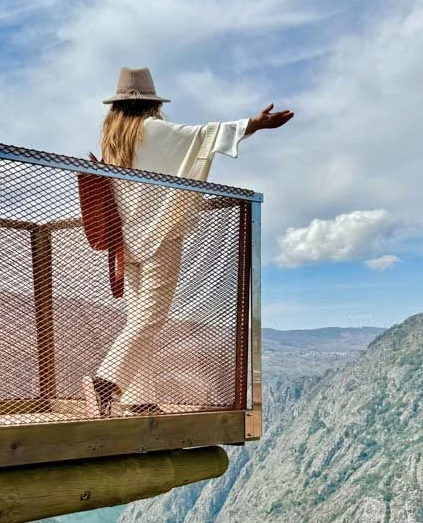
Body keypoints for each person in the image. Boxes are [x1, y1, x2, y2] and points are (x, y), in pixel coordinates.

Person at [82, 66, 293, 418]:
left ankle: (139, 397)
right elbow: (202, 136)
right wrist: (252, 125)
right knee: (151, 317)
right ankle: (105, 382)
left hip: (127, 240)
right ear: (151, 103)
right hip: (159, 235)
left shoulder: (115, 141)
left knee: (139, 318)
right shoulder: (152, 131)